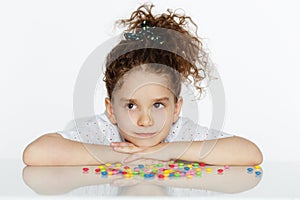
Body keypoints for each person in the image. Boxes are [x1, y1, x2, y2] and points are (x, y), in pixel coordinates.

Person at [23, 4, 263, 166]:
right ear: (111, 110)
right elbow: (35, 153)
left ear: (176, 108)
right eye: (130, 106)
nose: (145, 121)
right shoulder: (104, 131)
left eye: (158, 105)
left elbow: (251, 153)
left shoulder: (179, 132)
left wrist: (168, 151)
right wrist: (124, 156)